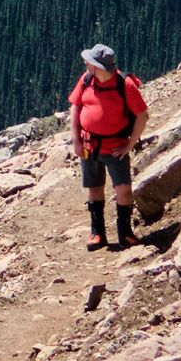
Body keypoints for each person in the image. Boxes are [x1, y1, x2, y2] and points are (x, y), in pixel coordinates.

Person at [69, 43, 148, 250]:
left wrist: (128, 146)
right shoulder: (86, 80)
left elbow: (142, 115)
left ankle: (125, 233)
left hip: (116, 146)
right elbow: (75, 107)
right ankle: (98, 233)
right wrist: (76, 139)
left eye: (89, 62)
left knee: (123, 189)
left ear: (97, 66)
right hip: (89, 144)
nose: (85, 64)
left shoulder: (125, 85)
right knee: (94, 188)